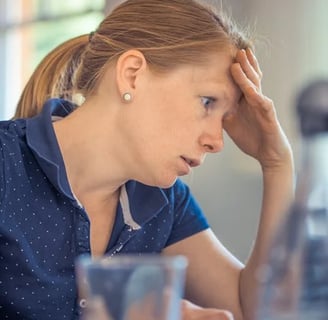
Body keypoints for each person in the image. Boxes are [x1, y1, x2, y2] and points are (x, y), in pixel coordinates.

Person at [0, 0, 295, 319]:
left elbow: (259, 310)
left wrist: (277, 163)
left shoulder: (162, 201)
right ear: (132, 75)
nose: (216, 141)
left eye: (224, 118)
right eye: (207, 101)